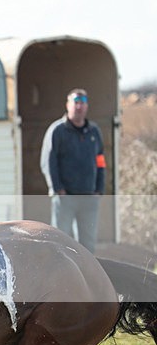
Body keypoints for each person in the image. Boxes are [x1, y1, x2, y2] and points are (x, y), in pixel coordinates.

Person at [40, 88, 105, 253]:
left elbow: (100, 161)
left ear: (87, 106)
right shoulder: (57, 131)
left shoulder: (94, 132)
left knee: (88, 246)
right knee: (61, 242)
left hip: (89, 198)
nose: (79, 106)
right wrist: (57, 188)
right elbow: (48, 161)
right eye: (76, 102)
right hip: (65, 198)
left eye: (83, 103)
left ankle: (87, 277)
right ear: (68, 105)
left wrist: (99, 189)